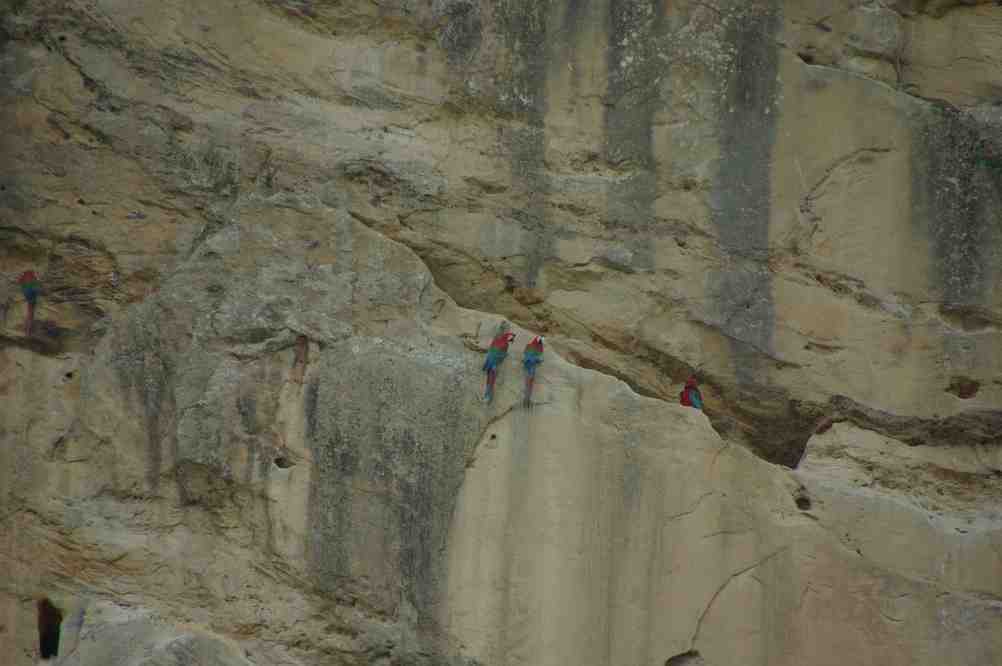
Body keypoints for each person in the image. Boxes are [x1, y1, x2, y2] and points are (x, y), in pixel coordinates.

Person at [17, 270, 41, 336]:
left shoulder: (28, 280)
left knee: (30, 314)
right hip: (30, 299)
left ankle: (28, 331)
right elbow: (36, 289)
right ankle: (28, 331)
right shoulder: (31, 281)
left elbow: (36, 289)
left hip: (30, 299)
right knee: (30, 315)